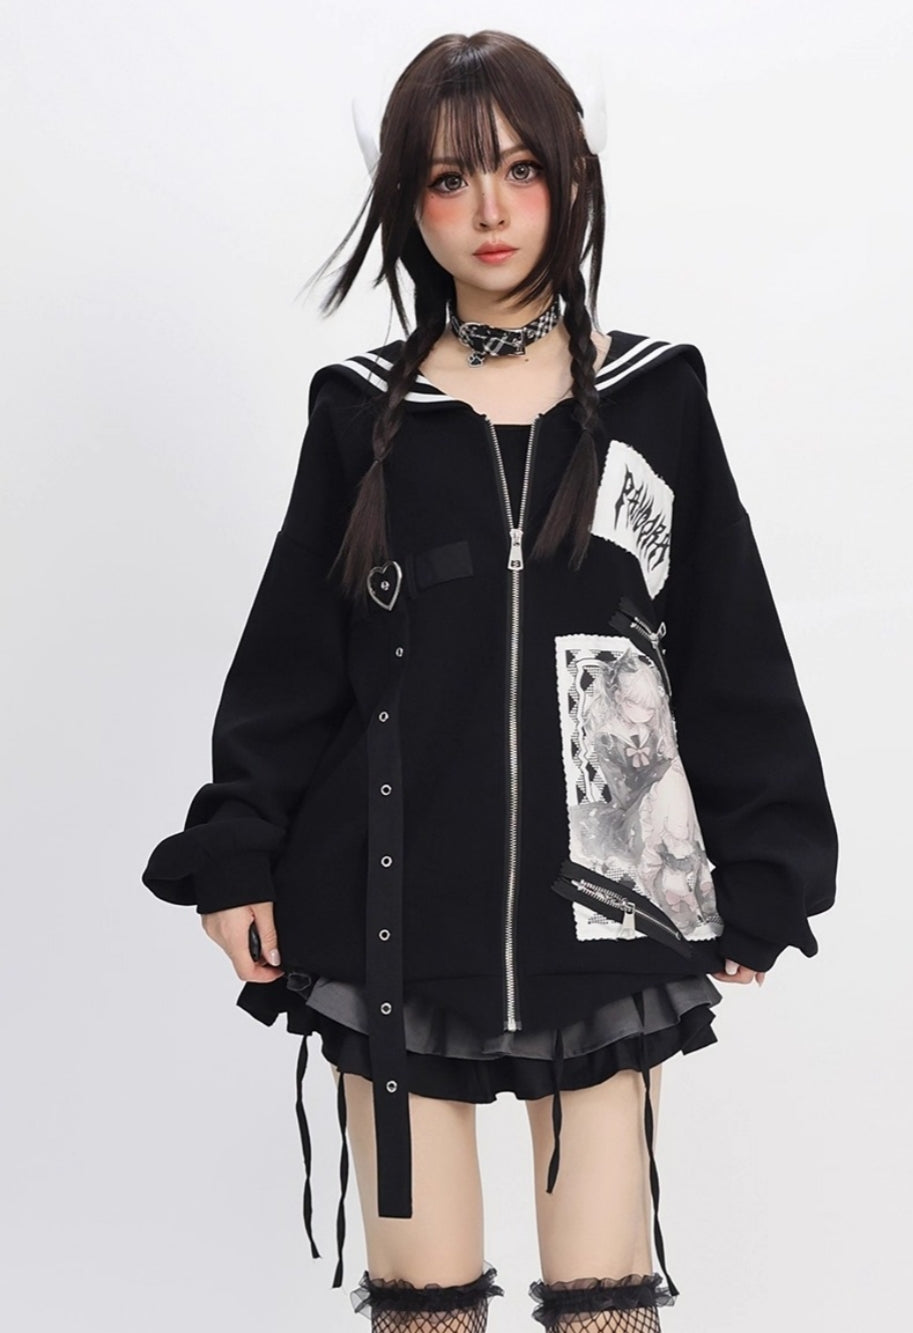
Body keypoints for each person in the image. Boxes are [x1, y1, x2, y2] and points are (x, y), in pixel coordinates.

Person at [141, 29, 838, 1332]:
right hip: (392, 892)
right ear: (410, 203)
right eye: (451, 179)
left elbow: (726, 641)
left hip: (614, 893)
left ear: (571, 177)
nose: (493, 209)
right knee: (424, 1302)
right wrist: (236, 852)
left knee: (605, 1297)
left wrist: (769, 860)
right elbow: (293, 660)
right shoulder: (363, 412)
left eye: (522, 169)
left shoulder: (655, 395)